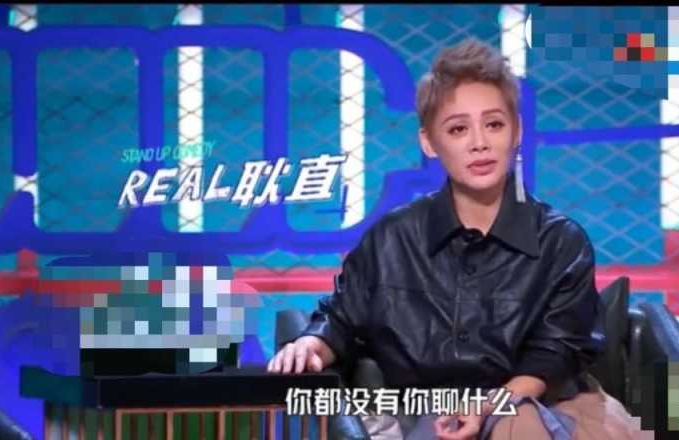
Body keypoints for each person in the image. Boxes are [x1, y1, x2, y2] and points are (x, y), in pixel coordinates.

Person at [268, 37, 650, 440]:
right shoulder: (390, 241)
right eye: (458, 129)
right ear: (429, 142)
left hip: (538, 407)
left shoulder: (561, 243)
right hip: (428, 415)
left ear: (517, 131)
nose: (479, 142)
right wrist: (312, 344)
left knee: (519, 423)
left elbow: (553, 356)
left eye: (494, 124)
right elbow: (341, 320)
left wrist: (487, 408)